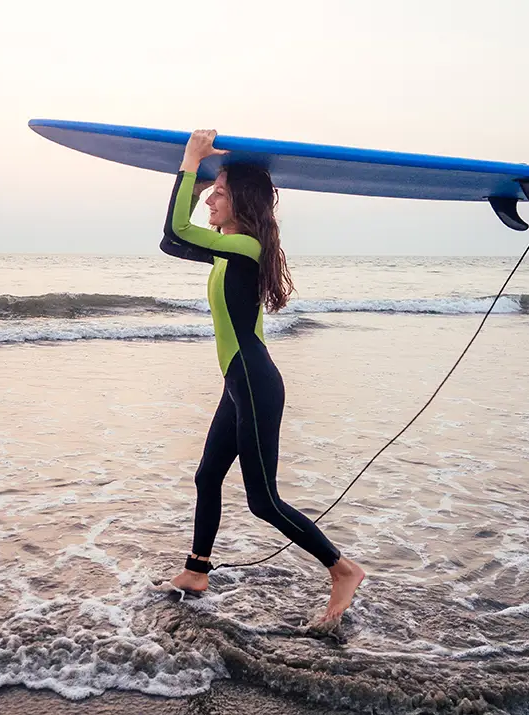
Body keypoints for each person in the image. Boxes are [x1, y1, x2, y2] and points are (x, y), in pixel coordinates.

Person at [159, 129, 365, 625]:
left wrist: (191, 161)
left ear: (242, 201)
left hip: (252, 379)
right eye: (211, 189)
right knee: (208, 475)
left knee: (263, 500)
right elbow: (171, 239)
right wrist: (196, 173)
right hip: (241, 381)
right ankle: (197, 570)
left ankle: (342, 570)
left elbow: (178, 228)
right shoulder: (231, 248)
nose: (210, 196)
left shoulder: (246, 247)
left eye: (220, 190)